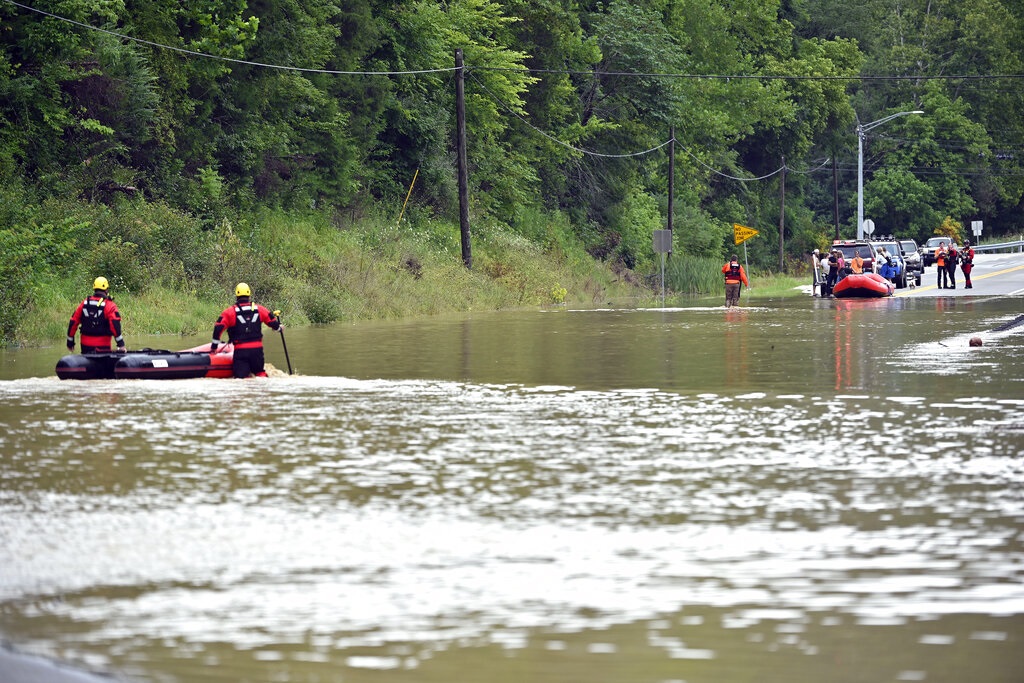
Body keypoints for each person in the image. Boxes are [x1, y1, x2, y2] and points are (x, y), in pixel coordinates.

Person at [211, 282, 283, 378]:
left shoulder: (230, 312)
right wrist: (279, 328)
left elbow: (218, 328)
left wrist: (214, 347)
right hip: (257, 351)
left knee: (241, 378)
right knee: (260, 373)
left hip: (241, 351)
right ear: (249, 294)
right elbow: (272, 322)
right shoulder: (260, 309)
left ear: (236, 295)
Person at [66, 276, 126, 353]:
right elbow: (115, 325)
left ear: (94, 288)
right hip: (103, 347)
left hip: (85, 346)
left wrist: (70, 342)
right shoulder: (110, 305)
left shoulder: (84, 303)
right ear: (106, 290)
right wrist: (121, 344)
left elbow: (73, 322)